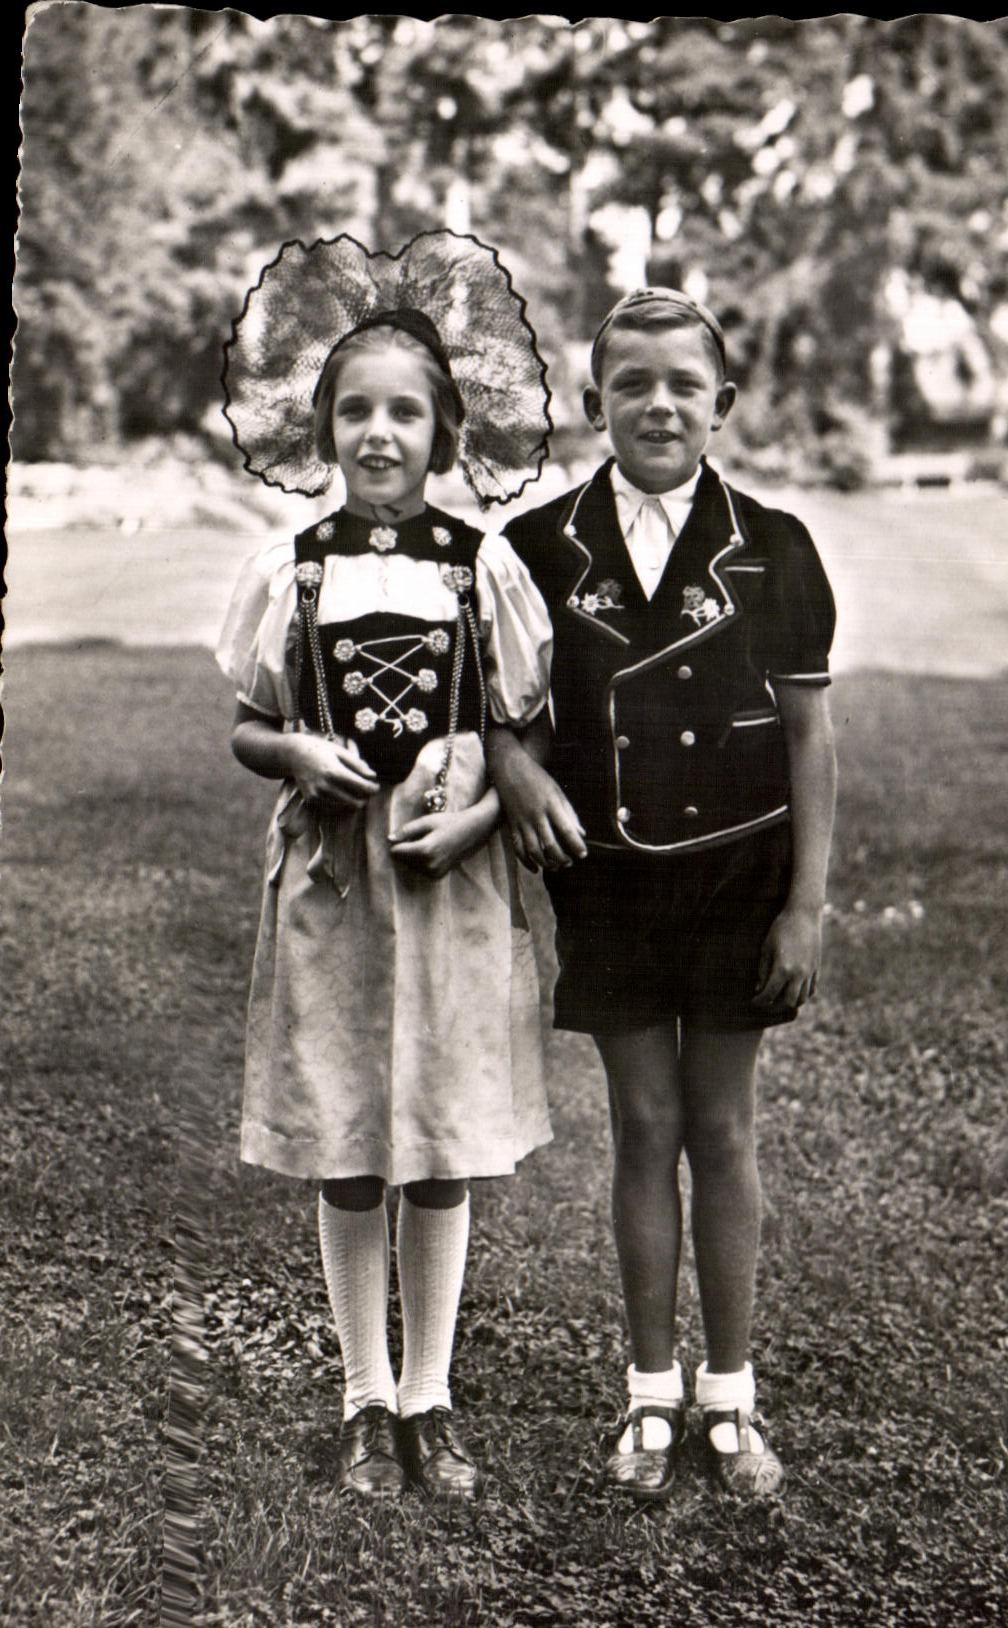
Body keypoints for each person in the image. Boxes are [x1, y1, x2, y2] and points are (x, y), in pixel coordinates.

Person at [217, 233, 555, 1501]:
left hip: (444, 875)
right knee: (353, 1127)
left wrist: (477, 817)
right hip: (334, 881)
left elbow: (522, 727)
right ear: (321, 427)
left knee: (442, 1133)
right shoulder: (289, 568)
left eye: (404, 411)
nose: (378, 433)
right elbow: (248, 722)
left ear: (444, 430)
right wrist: (294, 745)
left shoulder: (483, 567)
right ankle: (365, 1390)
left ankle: (433, 1392)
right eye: (353, 410)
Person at [488, 287, 837, 1501]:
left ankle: (730, 1398)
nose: (657, 402)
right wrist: (513, 764)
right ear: (592, 405)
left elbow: (808, 734)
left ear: (722, 406)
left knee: (723, 1129)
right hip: (611, 880)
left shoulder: (775, 542)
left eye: (682, 383)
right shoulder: (535, 548)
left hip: (742, 873)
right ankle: (648, 1394)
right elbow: (497, 707)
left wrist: (805, 902)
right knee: (643, 1127)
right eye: (629, 382)